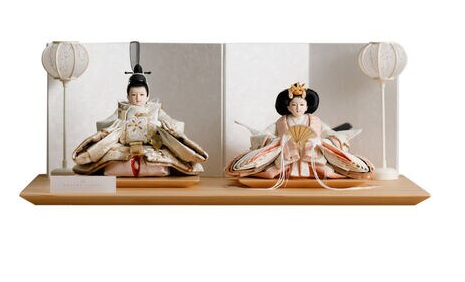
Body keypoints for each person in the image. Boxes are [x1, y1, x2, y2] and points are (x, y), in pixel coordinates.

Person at [72, 65, 208, 177]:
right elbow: (106, 123)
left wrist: (161, 125)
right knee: (110, 158)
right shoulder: (123, 110)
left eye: (142, 94)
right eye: (134, 95)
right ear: (128, 96)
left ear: (147, 96)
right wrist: (118, 126)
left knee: (164, 158)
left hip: (152, 145)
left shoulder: (155, 109)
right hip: (124, 145)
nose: (138, 98)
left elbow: (173, 123)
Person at [226, 82, 374, 181]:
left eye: (302, 104)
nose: (298, 108)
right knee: (271, 173)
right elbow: (265, 135)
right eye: (294, 105)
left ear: (307, 106)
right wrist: (278, 141)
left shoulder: (316, 121)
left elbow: (331, 135)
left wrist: (319, 141)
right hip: (287, 159)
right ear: (288, 107)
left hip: (312, 158)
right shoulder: (281, 122)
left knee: (327, 172)